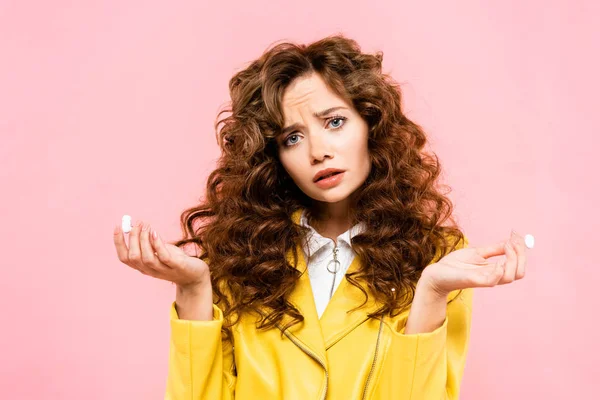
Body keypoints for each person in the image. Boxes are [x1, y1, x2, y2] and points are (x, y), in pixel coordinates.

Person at [113, 34, 528, 399]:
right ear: (273, 156)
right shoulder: (237, 260)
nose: (317, 151)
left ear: (371, 124)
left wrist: (432, 292)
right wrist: (193, 287)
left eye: (334, 122)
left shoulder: (438, 258)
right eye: (292, 137)